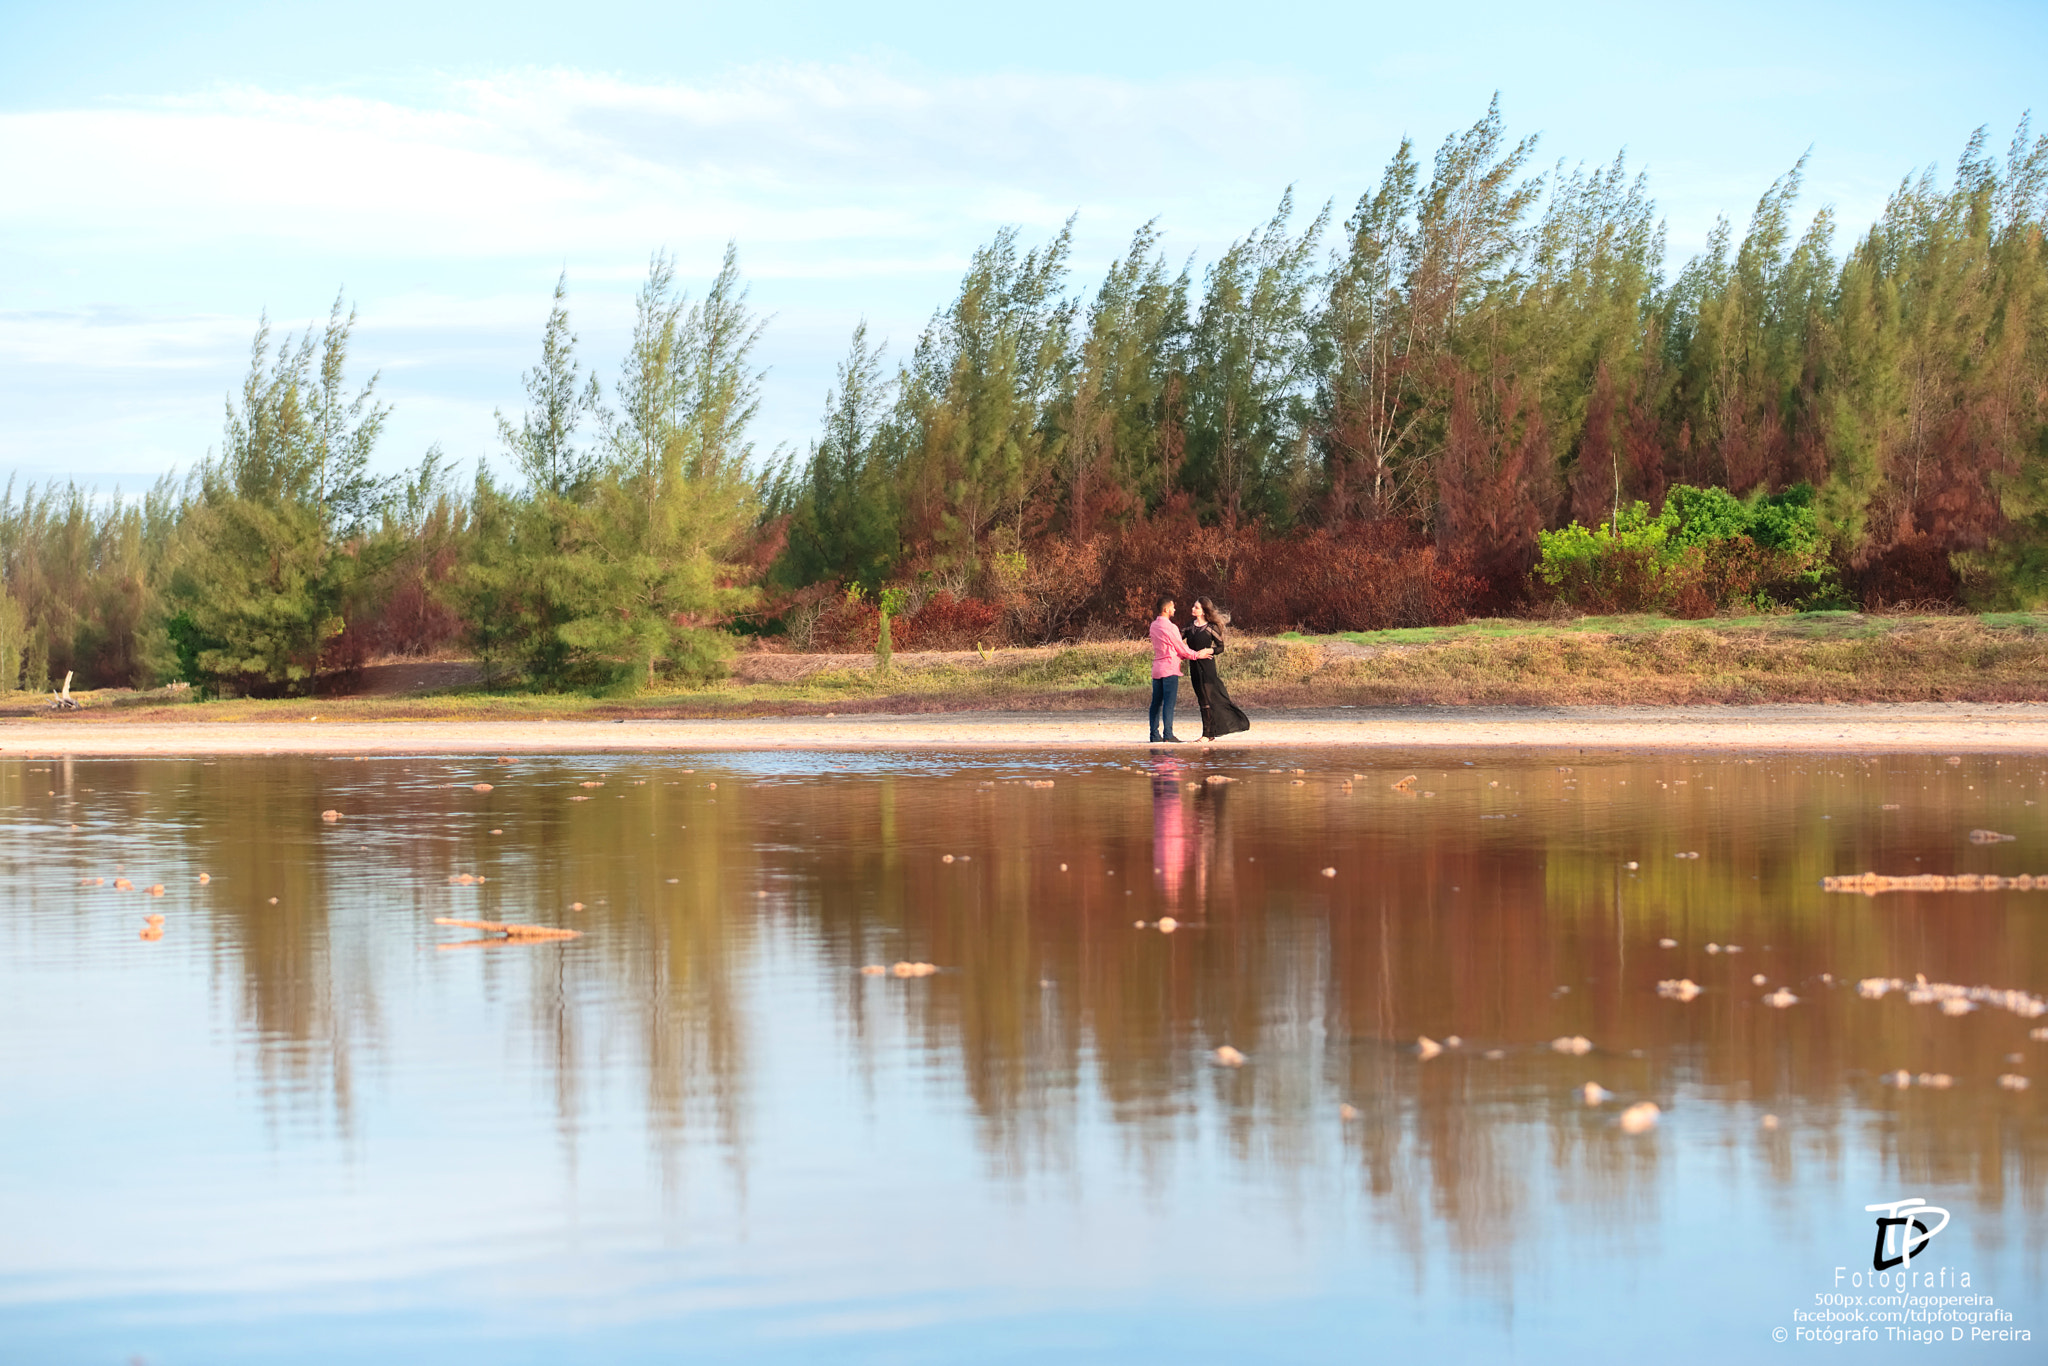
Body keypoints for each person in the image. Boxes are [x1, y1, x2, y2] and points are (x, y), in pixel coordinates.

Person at [1184, 597, 1250, 741]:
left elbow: (1221, 647)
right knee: (1202, 699)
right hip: (1194, 667)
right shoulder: (1189, 626)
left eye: (1196, 607)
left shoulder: (1211, 627)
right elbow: (1176, 640)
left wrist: (1209, 650)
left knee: (1210, 698)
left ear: (1203, 611)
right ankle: (1209, 733)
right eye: (1194, 606)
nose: (1193, 609)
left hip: (1207, 668)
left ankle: (1207, 734)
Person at [1147, 595, 1210, 744]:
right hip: (1169, 668)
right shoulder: (1170, 627)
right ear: (1166, 609)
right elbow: (1180, 648)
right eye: (1173, 607)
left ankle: (1154, 734)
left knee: (1156, 703)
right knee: (1168, 703)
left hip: (1157, 668)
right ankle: (1168, 734)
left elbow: (1168, 647)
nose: (1174, 609)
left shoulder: (1153, 626)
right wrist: (1197, 655)